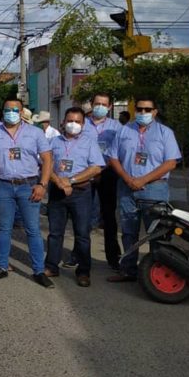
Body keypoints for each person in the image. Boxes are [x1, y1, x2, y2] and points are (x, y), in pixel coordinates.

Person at [0, 98, 54, 288]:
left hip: (28, 186)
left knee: (33, 230)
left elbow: (47, 159)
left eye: (15, 109)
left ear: (21, 113)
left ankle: (38, 271)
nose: (11, 112)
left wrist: (42, 185)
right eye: (7, 109)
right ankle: (1, 267)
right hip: (2, 186)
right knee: (3, 229)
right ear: (2, 111)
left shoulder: (35, 133)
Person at [106, 98, 181, 282]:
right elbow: (113, 157)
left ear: (155, 112)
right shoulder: (124, 130)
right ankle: (128, 270)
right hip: (127, 189)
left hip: (154, 189)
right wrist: (128, 179)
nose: (143, 112)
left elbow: (171, 162)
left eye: (148, 109)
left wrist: (143, 180)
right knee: (129, 231)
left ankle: (159, 273)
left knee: (157, 232)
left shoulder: (165, 133)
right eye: (139, 109)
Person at [44, 107, 104, 287]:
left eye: (77, 122)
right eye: (70, 121)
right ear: (63, 121)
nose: (73, 125)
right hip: (57, 192)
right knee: (55, 233)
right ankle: (52, 266)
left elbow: (96, 168)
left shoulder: (90, 142)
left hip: (81, 192)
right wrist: (59, 182)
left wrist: (70, 181)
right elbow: (46, 164)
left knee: (82, 234)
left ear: (83, 124)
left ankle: (83, 271)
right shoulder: (53, 142)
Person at [83, 93, 123, 271]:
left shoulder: (117, 127)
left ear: (110, 107)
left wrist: (102, 168)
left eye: (104, 104)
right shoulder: (81, 124)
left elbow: (119, 151)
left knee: (108, 217)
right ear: (91, 104)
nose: (100, 106)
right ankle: (79, 255)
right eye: (97, 103)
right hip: (85, 173)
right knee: (82, 217)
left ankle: (113, 257)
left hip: (107, 174)